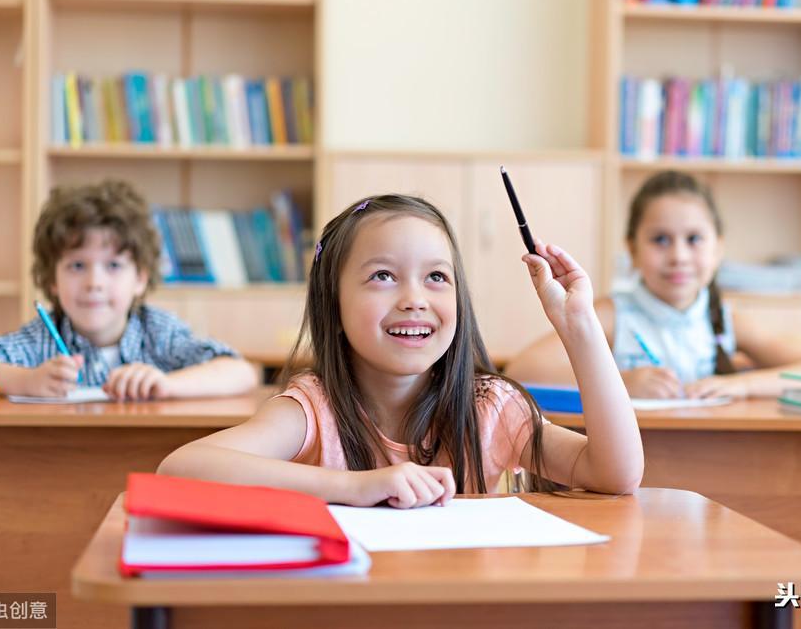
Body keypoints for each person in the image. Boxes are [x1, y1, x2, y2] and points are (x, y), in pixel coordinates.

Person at [158, 194, 643, 507]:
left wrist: (580, 327)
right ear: (334, 304)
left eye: (436, 277)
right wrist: (353, 487)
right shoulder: (312, 409)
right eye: (383, 276)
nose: (415, 299)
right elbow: (180, 470)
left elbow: (615, 474)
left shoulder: (489, 407)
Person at [505, 170, 801, 399]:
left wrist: (744, 385)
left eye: (694, 239)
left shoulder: (727, 320)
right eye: (660, 240)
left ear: (718, 249)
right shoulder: (613, 314)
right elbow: (523, 370)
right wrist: (621, 383)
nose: (678, 256)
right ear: (633, 250)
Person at [0, 180, 258, 400]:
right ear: (52, 280)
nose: (94, 283)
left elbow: (240, 372)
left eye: (113, 266)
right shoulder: (42, 338)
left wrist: (168, 384)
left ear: (140, 278)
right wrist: (26, 381)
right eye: (77, 266)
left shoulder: (158, 333)